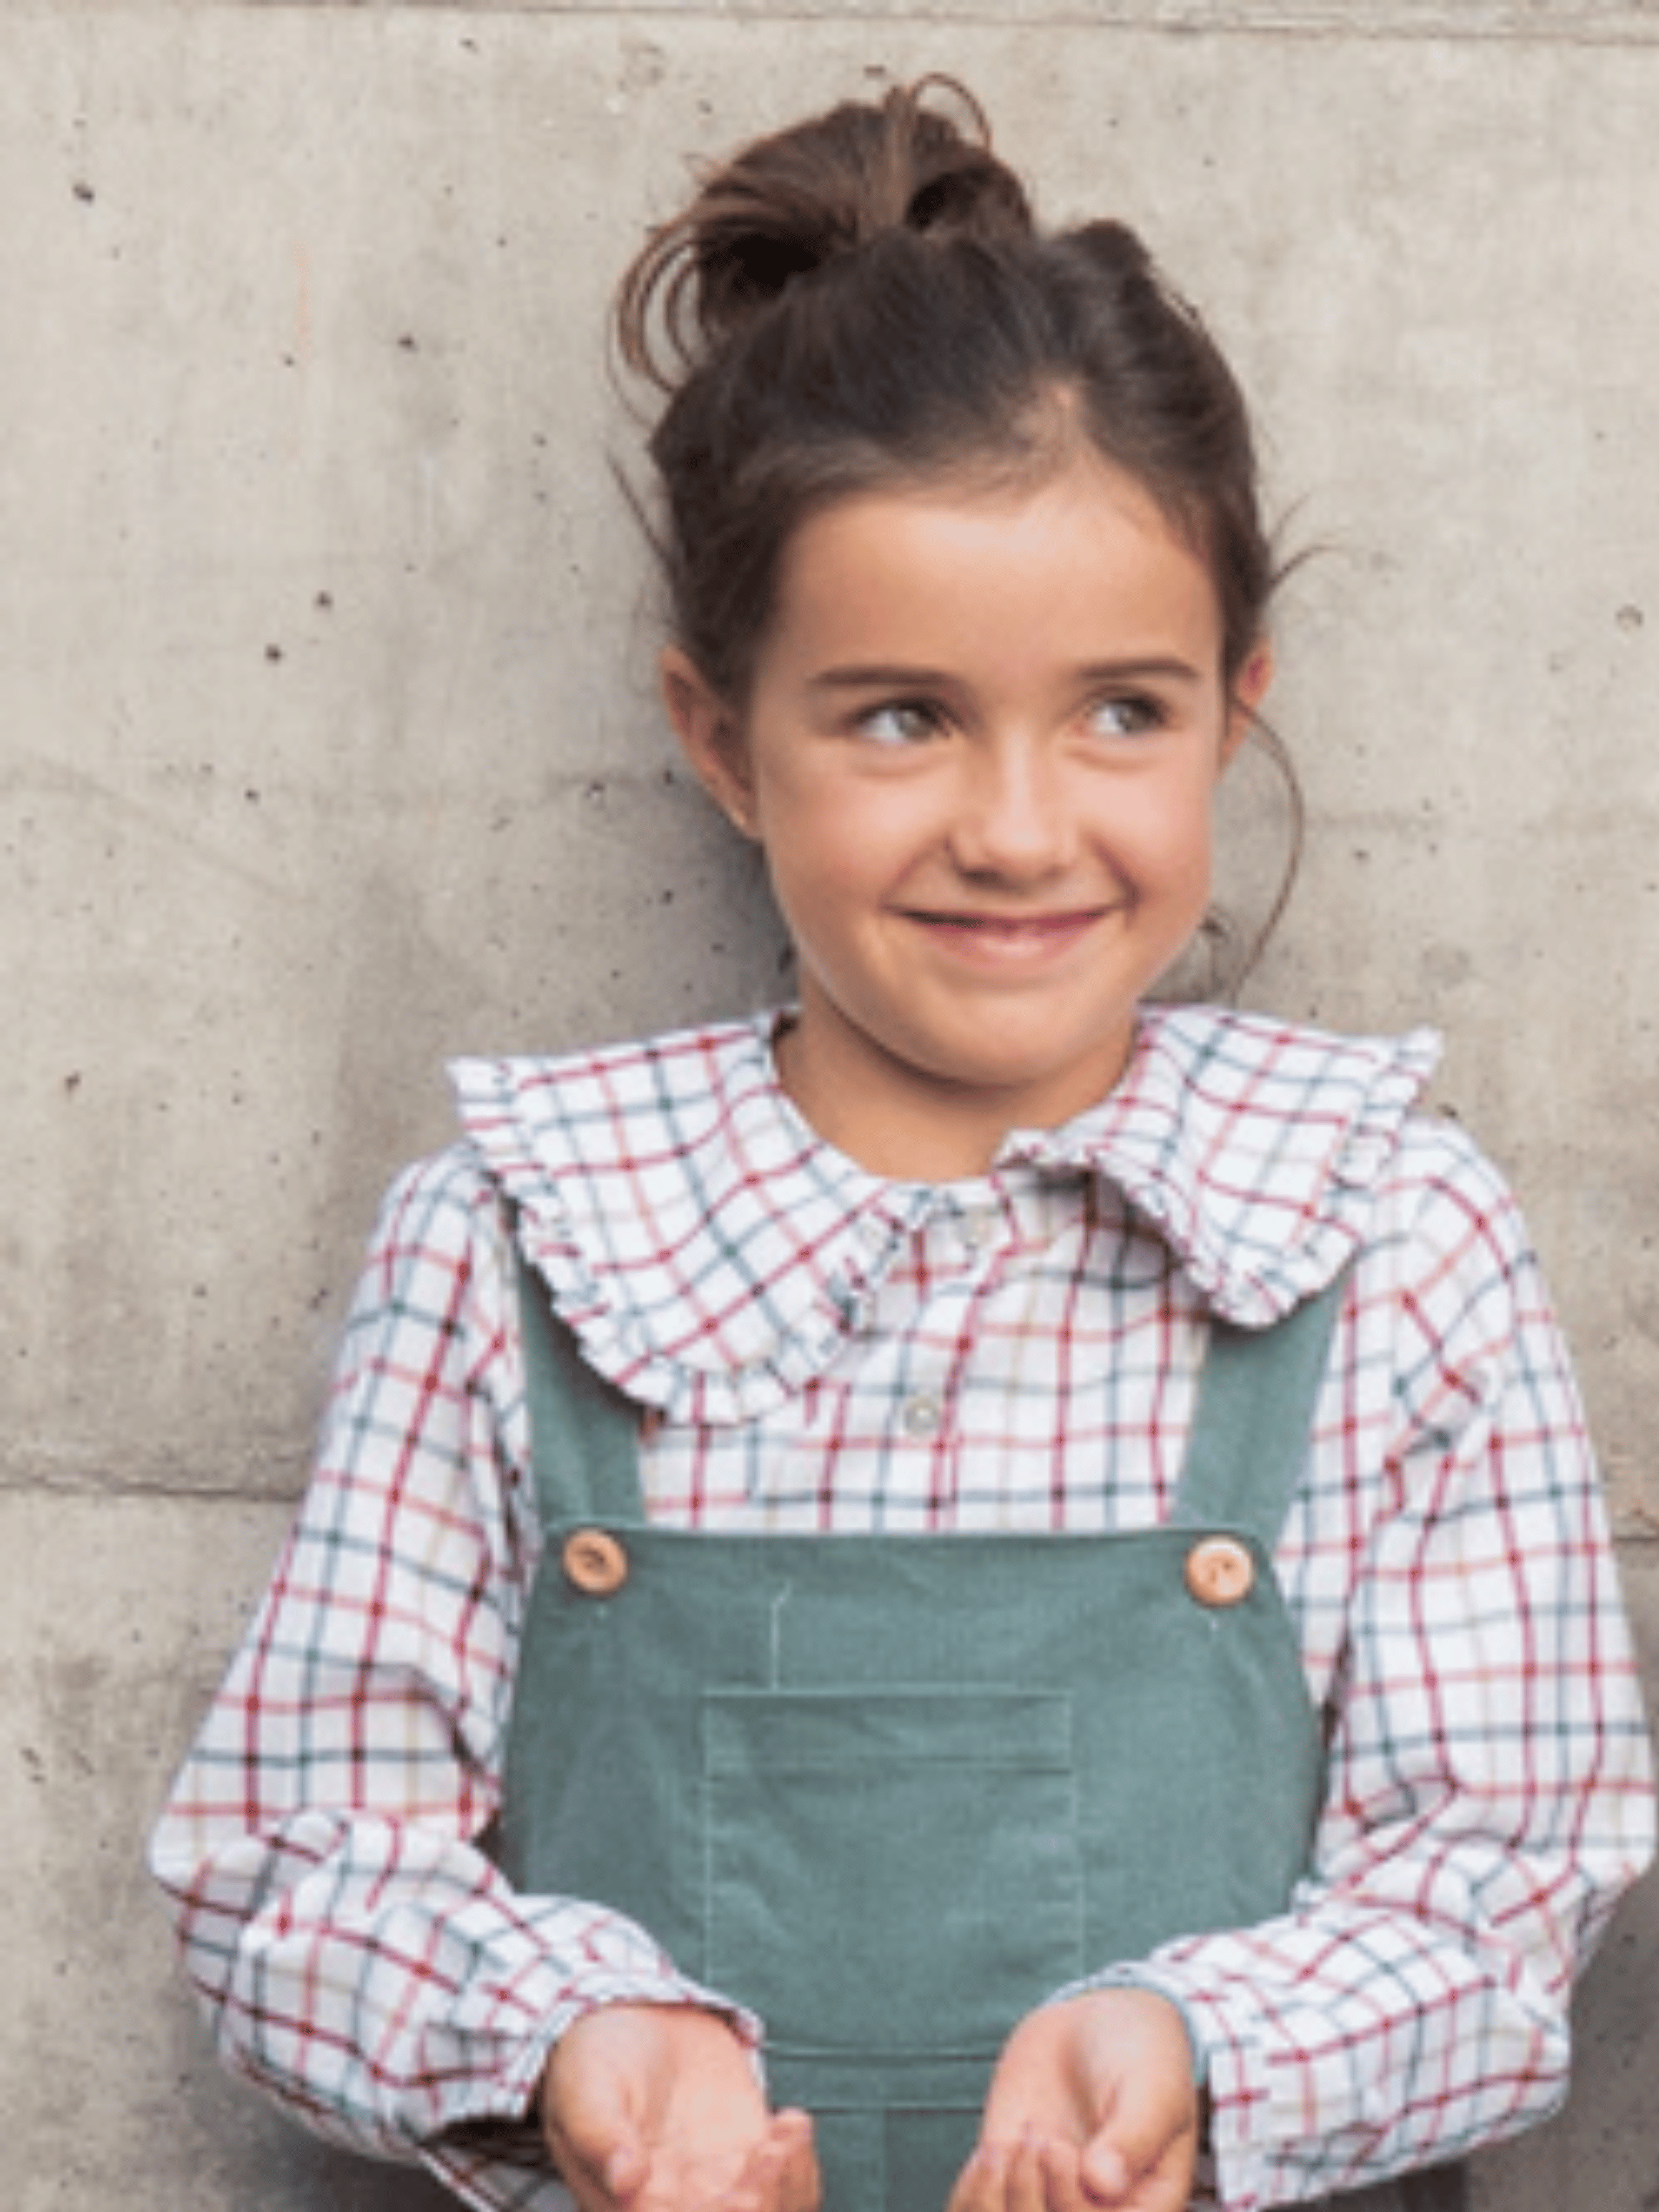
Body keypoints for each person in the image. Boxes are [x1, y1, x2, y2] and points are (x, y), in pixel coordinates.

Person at [150, 76, 1653, 2212]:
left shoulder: (1387, 1232)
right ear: (720, 737)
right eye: (899, 716)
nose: (1020, 826)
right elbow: (291, 1856)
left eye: (1121, 710)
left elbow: (1511, 1880)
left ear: (1238, 703)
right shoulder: (521, 1237)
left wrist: (1201, 2053)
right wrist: (581, 2038)